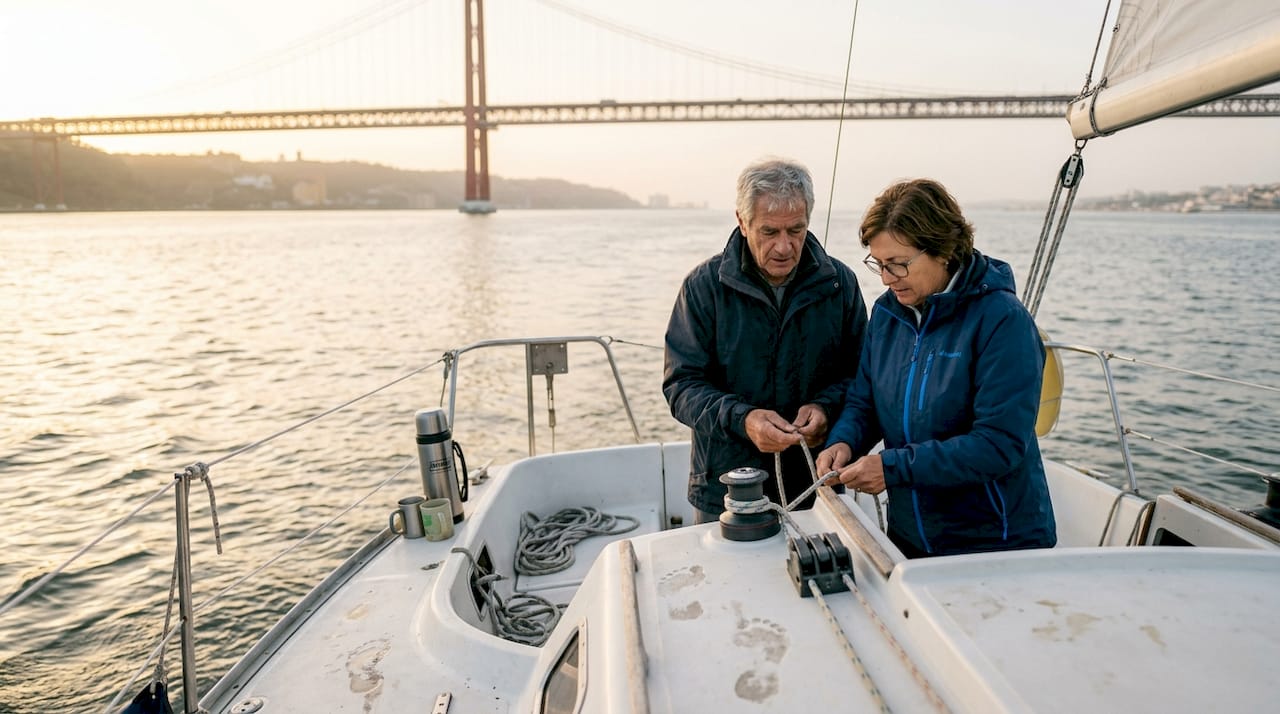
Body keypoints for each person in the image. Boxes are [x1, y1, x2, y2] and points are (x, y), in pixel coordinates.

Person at [816, 178, 1056, 557]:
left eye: (898, 265)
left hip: (996, 545)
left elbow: (999, 444)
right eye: (879, 265)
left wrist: (894, 469)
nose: (886, 278)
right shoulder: (886, 314)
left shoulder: (1003, 320)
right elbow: (866, 401)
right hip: (909, 540)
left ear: (943, 250)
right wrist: (844, 442)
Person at [664, 158, 868, 523]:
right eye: (770, 232)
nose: (785, 247)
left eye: (796, 230)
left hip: (816, 484)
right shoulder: (703, 287)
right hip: (726, 491)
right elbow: (681, 387)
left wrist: (825, 408)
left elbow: (862, 378)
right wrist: (744, 419)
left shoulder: (841, 284)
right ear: (742, 222)